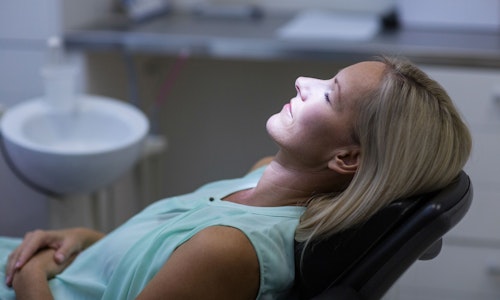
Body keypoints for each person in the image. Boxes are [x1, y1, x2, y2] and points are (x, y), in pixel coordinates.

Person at [1, 56, 471, 299]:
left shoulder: (229, 250)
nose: (303, 81)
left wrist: (31, 274)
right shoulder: (261, 176)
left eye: (329, 95)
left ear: (347, 158)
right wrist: (80, 239)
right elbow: (155, 263)